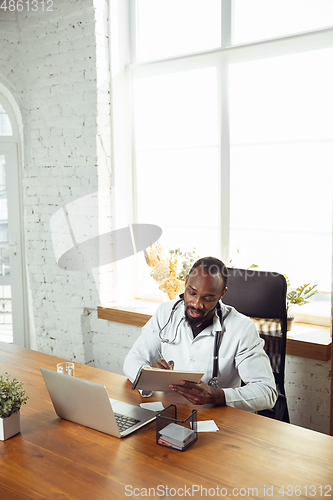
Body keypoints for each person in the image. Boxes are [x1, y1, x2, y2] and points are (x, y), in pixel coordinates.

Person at [123, 256, 277, 412]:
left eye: (208, 298)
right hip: (172, 409)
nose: (196, 304)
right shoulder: (166, 312)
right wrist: (151, 376)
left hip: (219, 418)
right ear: (186, 281)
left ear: (222, 294)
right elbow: (133, 359)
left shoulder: (241, 328)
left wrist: (216, 395)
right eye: (192, 293)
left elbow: (267, 392)